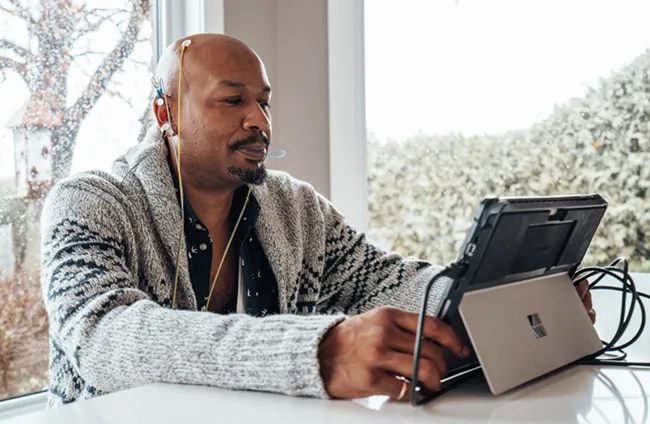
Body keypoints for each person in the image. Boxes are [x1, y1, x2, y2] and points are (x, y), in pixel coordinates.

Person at [40, 33, 596, 407]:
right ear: (165, 112)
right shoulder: (89, 202)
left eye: (264, 102)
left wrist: (478, 294)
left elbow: (383, 280)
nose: (259, 121)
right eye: (231, 101)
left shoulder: (295, 206)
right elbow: (104, 338)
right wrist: (318, 351)